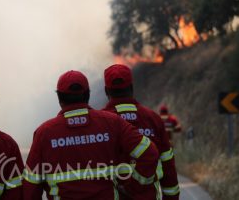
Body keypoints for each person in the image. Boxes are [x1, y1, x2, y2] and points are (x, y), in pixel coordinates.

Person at [23, 70, 159, 200]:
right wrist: (133, 186)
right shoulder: (112, 122)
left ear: (59, 98)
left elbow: (31, 187)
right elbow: (149, 153)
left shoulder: (45, 132)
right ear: (87, 95)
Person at [102, 64, 180, 200]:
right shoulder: (153, 119)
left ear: (106, 91)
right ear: (132, 87)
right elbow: (168, 166)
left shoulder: (100, 122)